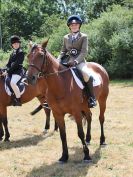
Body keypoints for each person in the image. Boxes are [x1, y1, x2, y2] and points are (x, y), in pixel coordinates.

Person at [57, 15, 96, 108]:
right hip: (67, 60)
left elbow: (84, 51)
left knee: (86, 74)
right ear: (69, 26)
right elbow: (63, 50)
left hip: (79, 61)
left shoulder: (84, 36)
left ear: (79, 26)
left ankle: (92, 98)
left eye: (76, 24)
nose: (74, 26)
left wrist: (76, 61)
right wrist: (58, 58)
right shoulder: (66, 37)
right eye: (72, 25)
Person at [2, 35, 25, 106]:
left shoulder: (21, 52)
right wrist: (4, 69)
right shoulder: (12, 53)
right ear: (12, 45)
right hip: (12, 72)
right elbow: (8, 64)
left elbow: (16, 64)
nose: (16, 45)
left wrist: (7, 71)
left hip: (18, 72)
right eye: (14, 44)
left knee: (13, 83)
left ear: (19, 44)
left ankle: (18, 100)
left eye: (17, 43)